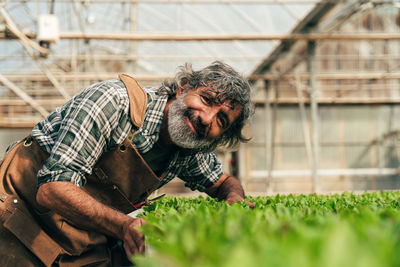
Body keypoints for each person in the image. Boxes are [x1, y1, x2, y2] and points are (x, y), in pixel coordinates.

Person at [0, 61, 254, 266]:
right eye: (206, 100)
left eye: (222, 120)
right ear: (183, 88)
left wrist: (234, 199)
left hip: (77, 241)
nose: (207, 118)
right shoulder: (114, 103)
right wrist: (123, 226)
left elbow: (224, 182)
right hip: (19, 216)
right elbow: (52, 188)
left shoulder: (188, 148)